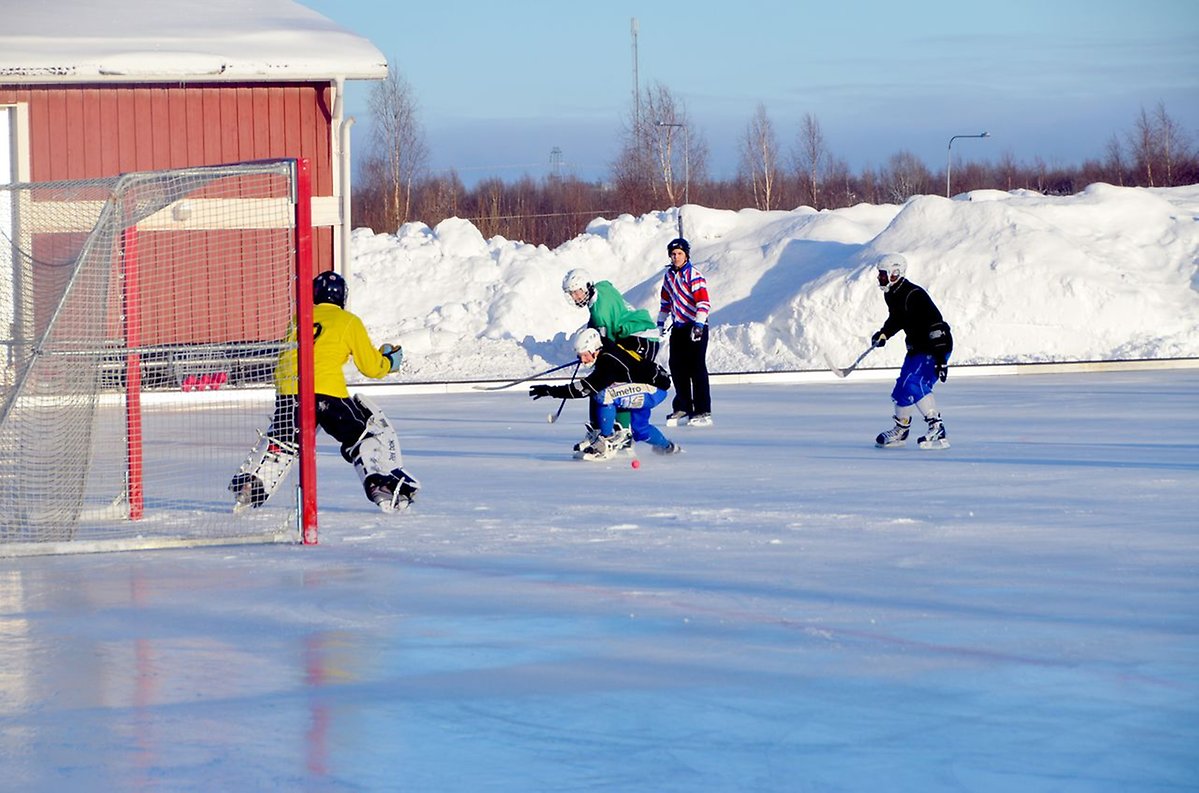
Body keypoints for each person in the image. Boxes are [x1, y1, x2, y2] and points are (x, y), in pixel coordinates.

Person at [229, 271, 420, 514]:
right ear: (342, 297)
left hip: (289, 391)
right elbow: (371, 367)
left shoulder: (300, 318)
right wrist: (388, 362)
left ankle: (252, 484)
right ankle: (378, 483)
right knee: (363, 436)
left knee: (285, 442)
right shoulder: (348, 321)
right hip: (326, 392)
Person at [529, 328, 681, 461]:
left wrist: (550, 390)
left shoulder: (608, 363)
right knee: (640, 429)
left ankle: (605, 442)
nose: (582, 360)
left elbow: (583, 389)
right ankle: (668, 447)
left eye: (585, 355)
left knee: (603, 395)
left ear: (595, 349)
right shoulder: (603, 345)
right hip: (643, 383)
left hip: (654, 389)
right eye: (580, 356)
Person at [561, 268, 661, 452]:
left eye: (577, 292)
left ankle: (622, 433)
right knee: (602, 380)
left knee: (615, 382)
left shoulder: (601, 313)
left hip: (641, 338)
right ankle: (600, 429)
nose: (575, 297)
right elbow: (607, 289)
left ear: (587, 286)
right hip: (631, 335)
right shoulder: (600, 288)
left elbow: (607, 343)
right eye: (572, 293)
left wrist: (590, 353)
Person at [869, 253, 953, 449]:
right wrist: (884, 334)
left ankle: (936, 427)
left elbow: (936, 325)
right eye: (880, 275)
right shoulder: (892, 293)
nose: (880, 278)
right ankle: (901, 430)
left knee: (914, 383)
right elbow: (897, 319)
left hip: (935, 345)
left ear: (895, 273)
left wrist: (941, 359)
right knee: (902, 389)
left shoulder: (914, 294)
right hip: (917, 347)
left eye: (883, 274)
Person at [657, 237, 713, 427]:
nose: (675, 257)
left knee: (696, 368)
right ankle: (683, 407)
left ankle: (703, 410)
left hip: (695, 326)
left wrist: (698, 324)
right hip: (679, 327)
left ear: (686, 255)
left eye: (679, 253)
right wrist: (660, 322)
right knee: (677, 367)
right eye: (673, 254)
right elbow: (665, 302)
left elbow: (703, 302)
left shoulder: (693, 275)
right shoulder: (669, 276)